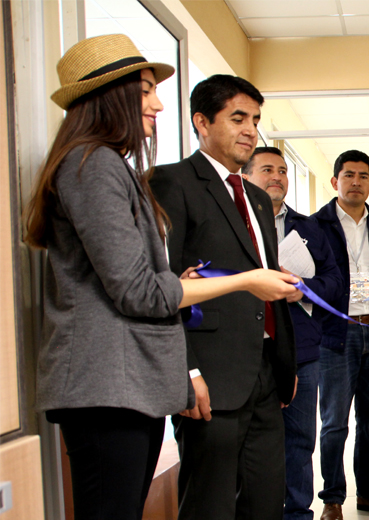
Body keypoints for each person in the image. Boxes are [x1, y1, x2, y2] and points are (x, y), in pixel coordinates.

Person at [26, 35, 299, 520]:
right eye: (146, 90)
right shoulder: (94, 166)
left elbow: (143, 276)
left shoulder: (110, 166)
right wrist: (241, 280)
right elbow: (141, 290)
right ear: (108, 96)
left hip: (133, 384)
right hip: (107, 385)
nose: (156, 103)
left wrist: (192, 282)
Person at [150, 75, 299, 520]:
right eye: (237, 118)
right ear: (201, 121)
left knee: (266, 501)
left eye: (255, 119)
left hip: (266, 375)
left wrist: (284, 358)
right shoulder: (170, 183)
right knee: (209, 505)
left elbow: (260, 281)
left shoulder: (254, 196)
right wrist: (186, 370)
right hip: (209, 379)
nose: (251, 130)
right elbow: (162, 288)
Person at [244, 147, 344, 520]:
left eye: (283, 170)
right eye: (267, 169)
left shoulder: (309, 227)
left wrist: (305, 287)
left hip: (301, 350)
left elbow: (335, 281)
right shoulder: (234, 222)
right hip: (248, 350)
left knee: (300, 441)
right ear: (247, 175)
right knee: (251, 444)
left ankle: (298, 514)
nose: (278, 176)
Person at [312, 150, 369, 520]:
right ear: (335, 181)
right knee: (335, 422)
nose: (356, 181)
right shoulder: (312, 227)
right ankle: (332, 499)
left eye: (363, 176)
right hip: (336, 335)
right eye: (348, 175)